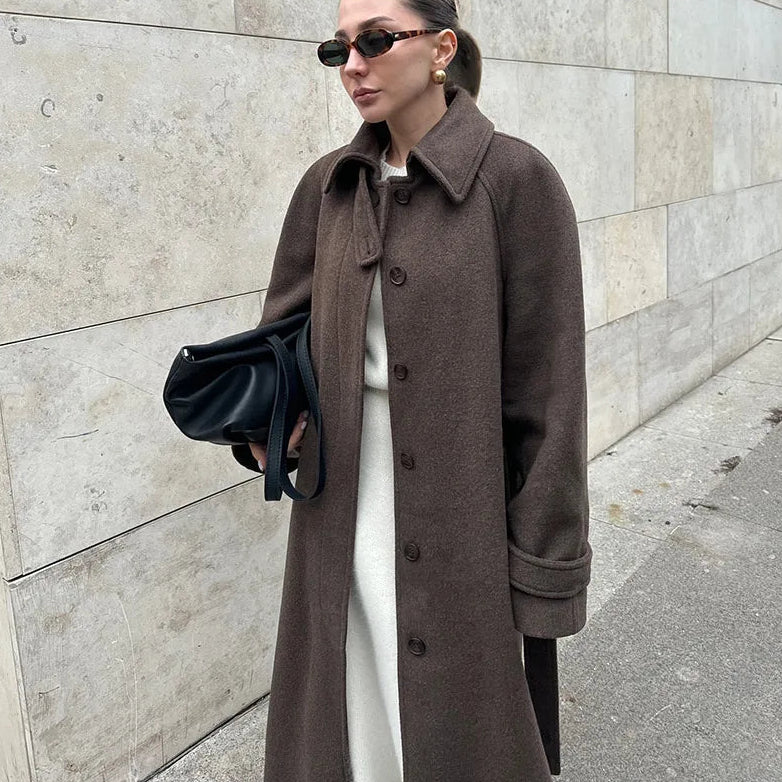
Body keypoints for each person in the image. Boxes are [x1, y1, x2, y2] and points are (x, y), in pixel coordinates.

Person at [232, 1, 592, 780]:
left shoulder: (516, 181)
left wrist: (544, 568)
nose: (353, 65)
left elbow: (550, 399)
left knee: (460, 734)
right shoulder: (327, 188)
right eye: (339, 49)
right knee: (352, 723)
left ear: (441, 49)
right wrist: (265, 418)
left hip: (466, 530)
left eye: (374, 41)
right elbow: (280, 340)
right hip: (341, 517)